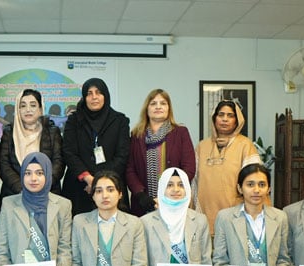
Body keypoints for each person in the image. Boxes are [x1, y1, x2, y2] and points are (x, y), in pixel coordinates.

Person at [61, 78, 130, 216]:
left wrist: (100, 182)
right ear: (84, 97)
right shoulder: (74, 120)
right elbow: (69, 152)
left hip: (111, 186)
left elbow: (122, 155)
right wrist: (88, 179)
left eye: (98, 93)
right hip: (79, 187)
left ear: (105, 95)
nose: (94, 97)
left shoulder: (120, 121)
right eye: (89, 93)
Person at [192, 100, 261, 234]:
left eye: (230, 116)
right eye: (221, 114)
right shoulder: (202, 146)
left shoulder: (245, 145)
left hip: (235, 214)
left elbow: (255, 182)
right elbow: (193, 182)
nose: (225, 119)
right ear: (214, 118)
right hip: (205, 215)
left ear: (237, 121)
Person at [126, 89, 196, 217]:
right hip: (143, 204)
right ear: (146, 109)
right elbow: (130, 169)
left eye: (163, 103)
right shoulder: (136, 135)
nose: (158, 106)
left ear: (169, 108)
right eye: (153, 103)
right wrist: (141, 195)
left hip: (174, 201)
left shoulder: (180, 132)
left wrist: (173, 189)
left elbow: (189, 168)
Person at [0, 89, 65, 199]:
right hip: (15, 194)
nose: (28, 110)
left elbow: (59, 162)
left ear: (40, 109)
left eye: (33, 105)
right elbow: (3, 164)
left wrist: (43, 186)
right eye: (23, 106)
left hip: (48, 193)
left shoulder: (52, 131)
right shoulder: (9, 132)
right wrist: (21, 189)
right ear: (18, 109)